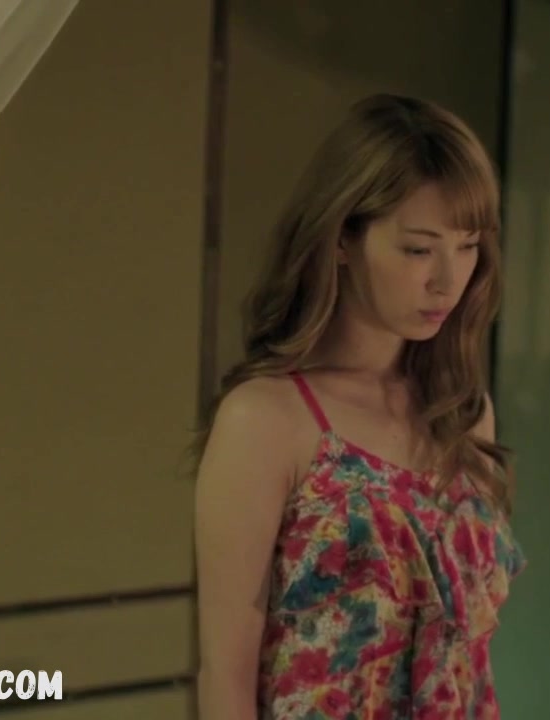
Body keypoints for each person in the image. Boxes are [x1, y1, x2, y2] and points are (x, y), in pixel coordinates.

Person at [192, 93, 526, 720]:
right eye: (419, 249)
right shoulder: (267, 420)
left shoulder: (461, 413)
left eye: (468, 246)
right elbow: (225, 676)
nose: (448, 280)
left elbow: (465, 663)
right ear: (343, 237)